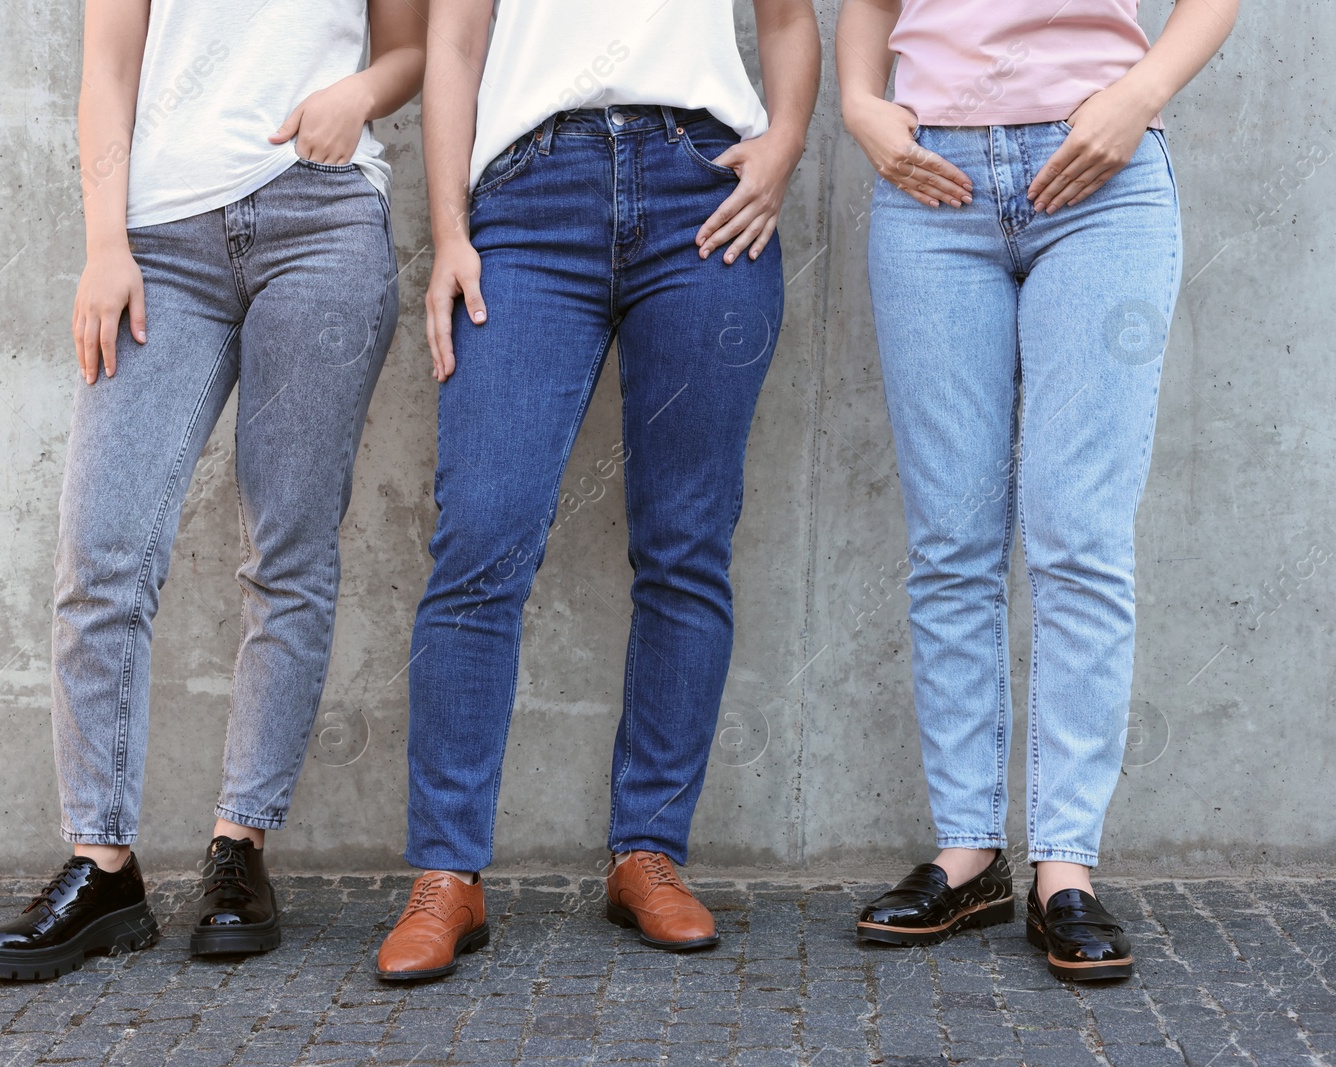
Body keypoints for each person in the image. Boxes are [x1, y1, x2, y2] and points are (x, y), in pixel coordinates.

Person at [0, 0, 424, 981]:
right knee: (102, 553)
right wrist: (103, 243)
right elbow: (107, 68)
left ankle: (239, 847)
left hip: (322, 217)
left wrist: (361, 91)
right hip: (160, 237)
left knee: (290, 548)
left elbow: (410, 47)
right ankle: (104, 865)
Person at [375, 0, 821, 981]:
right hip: (527, 202)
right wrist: (449, 229)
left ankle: (647, 849)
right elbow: (452, 42)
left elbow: (787, 19)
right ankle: (447, 871)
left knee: (686, 544)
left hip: (701, 189)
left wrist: (783, 141)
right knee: (481, 542)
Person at [837, 0, 1236, 981]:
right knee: (950, 543)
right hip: (931, 182)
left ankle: (1066, 866)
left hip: (1102, 178)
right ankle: (968, 850)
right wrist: (858, 102)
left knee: (1079, 538)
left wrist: (1138, 94)